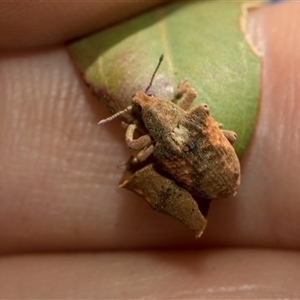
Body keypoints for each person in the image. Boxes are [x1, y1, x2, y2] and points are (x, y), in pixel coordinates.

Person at [1, 1, 300, 298]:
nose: (145, 100)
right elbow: (189, 96)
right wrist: (175, 95)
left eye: (150, 102)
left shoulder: (160, 149)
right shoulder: (190, 118)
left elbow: (134, 144)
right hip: (223, 169)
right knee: (223, 129)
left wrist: (130, 124)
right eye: (145, 107)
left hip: (219, 173)